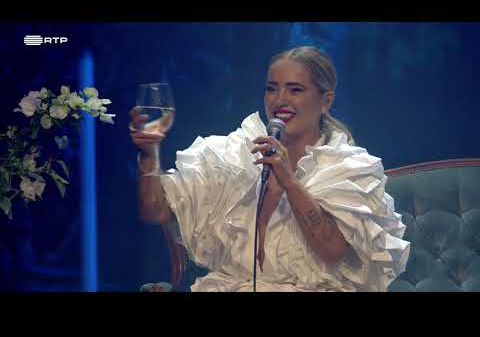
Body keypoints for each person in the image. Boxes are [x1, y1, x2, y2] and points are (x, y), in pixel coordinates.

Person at [130, 46, 410, 292]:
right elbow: (154, 212)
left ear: (326, 101)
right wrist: (150, 153)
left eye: (295, 89)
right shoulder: (231, 153)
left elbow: (333, 250)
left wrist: (290, 182)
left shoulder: (349, 168)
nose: (279, 100)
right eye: (272, 88)